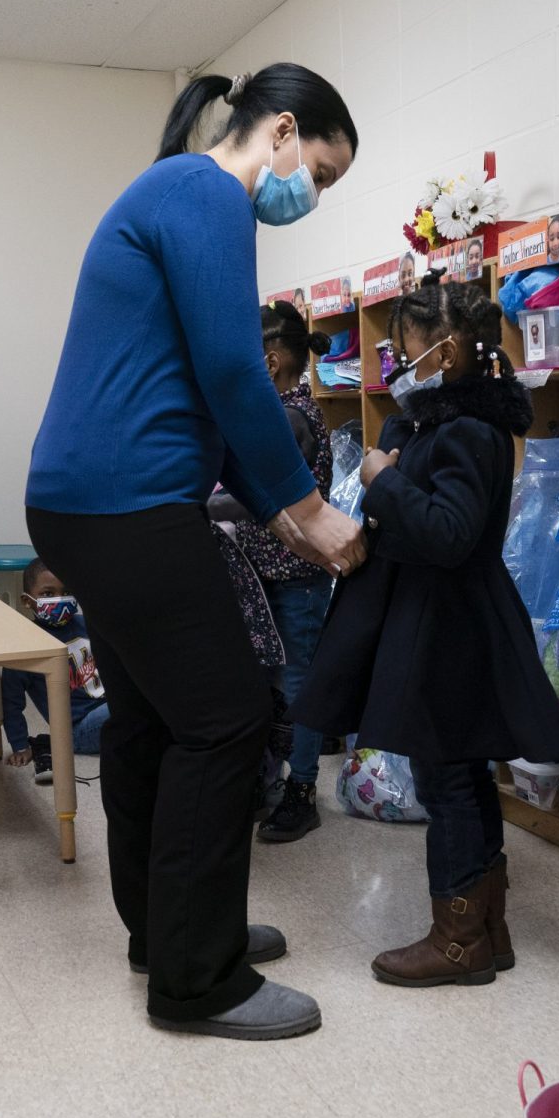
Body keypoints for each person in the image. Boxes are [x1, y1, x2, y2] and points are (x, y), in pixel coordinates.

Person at [24, 62, 365, 1043]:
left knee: (152, 721)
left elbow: (213, 406)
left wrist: (287, 517)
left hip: (88, 501)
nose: (316, 195)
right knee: (225, 720)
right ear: (287, 132)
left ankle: (168, 932)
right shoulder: (208, 191)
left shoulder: (171, 192)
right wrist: (310, 506)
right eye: (325, 175)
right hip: (126, 504)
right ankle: (197, 979)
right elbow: (232, 368)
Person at [295, 277, 559, 989]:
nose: (397, 362)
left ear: (447, 354)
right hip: (430, 618)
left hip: (451, 627)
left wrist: (383, 479)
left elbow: (450, 536)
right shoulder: (428, 424)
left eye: (408, 349)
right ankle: (485, 927)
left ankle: (458, 942)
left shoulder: (471, 434)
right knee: (458, 773)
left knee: (448, 777)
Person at [204, 302, 337, 843]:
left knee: (297, 687)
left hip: (297, 578)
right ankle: (270, 781)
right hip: (268, 575)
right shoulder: (278, 410)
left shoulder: (291, 417)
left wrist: (200, 502)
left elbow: (257, 496)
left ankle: (302, 792)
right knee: (268, 687)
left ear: (271, 360)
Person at [2, 558, 110, 785]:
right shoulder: (25, 644)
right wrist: (20, 745)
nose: (59, 599)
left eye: (67, 591)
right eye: (48, 594)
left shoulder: (86, 623)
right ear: (27, 601)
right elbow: (11, 701)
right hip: (75, 730)